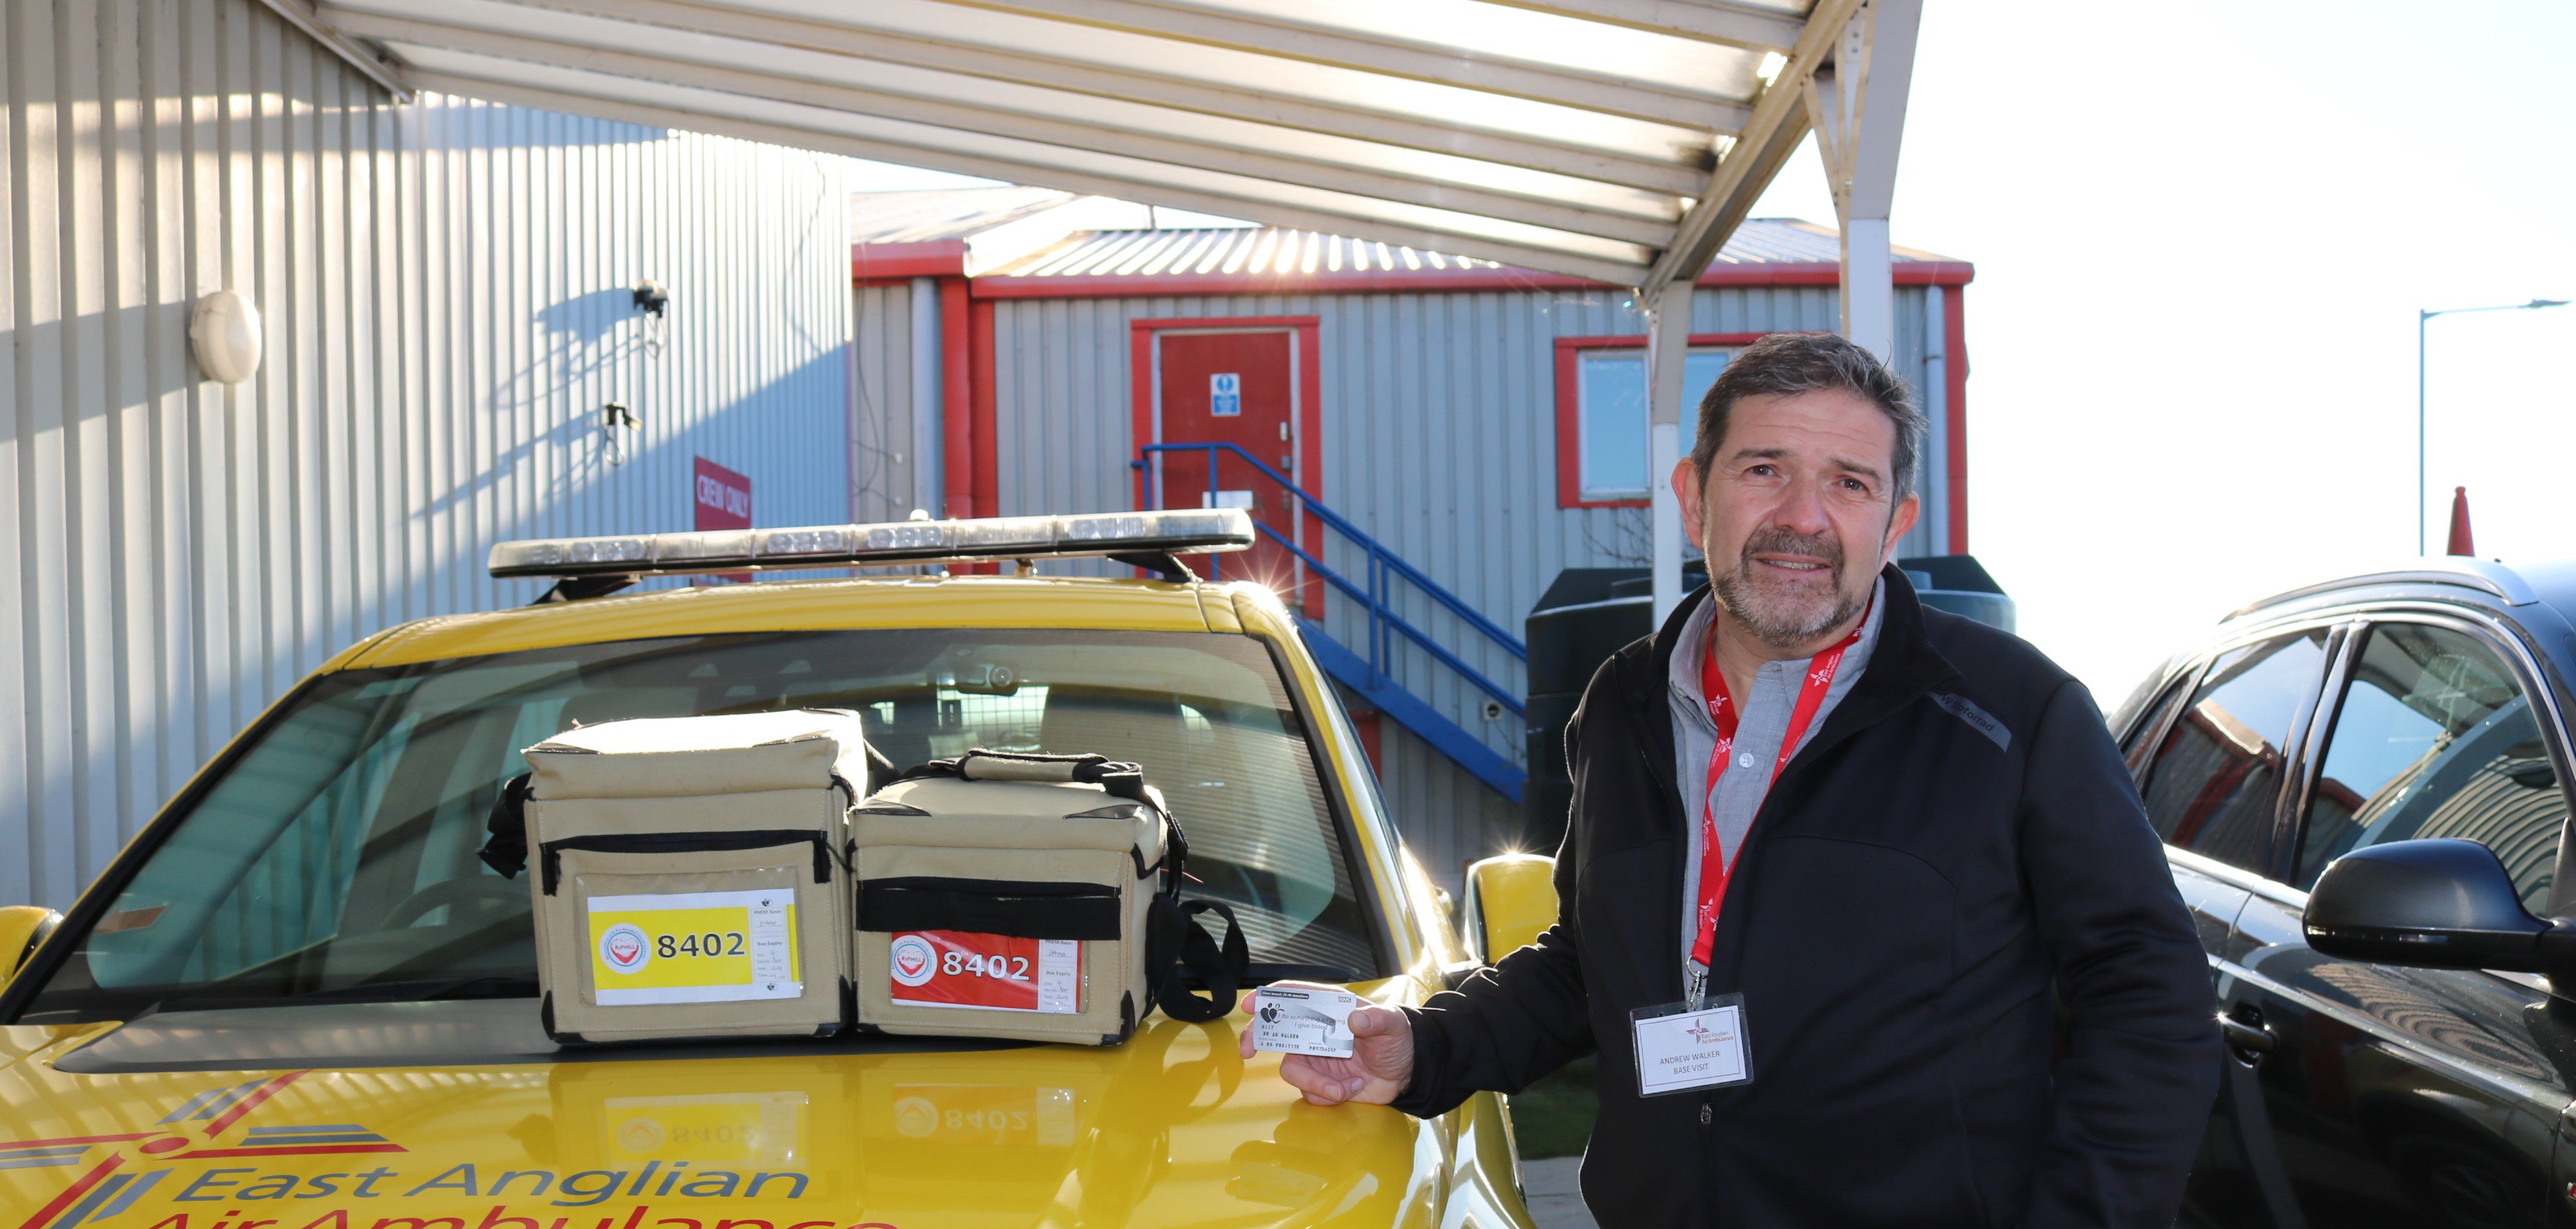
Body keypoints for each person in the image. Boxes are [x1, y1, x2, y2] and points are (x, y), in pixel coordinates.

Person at [1242, 332, 2220, 1227]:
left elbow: (2151, 996)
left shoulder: (2015, 714)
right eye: (1765, 470)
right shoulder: (1621, 705)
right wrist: (1424, 1046)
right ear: (1693, 493)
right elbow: (1592, 963)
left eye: (1848, 483)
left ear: (1897, 519)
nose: (1803, 518)